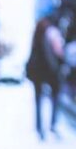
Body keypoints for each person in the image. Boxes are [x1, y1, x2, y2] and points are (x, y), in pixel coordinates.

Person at [25, 10, 65, 139]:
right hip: (50, 70)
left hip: (37, 72)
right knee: (55, 96)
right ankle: (52, 124)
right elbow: (59, 51)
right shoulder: (52, 32)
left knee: (38, 100)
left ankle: (39, 128)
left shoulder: (36, 34)